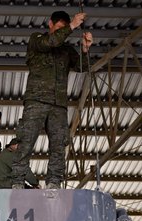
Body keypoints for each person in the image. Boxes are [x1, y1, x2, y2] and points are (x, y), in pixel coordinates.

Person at [11, 10, 93, 189]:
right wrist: (71, 26)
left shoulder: (66, 50)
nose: (60, 32)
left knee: (58, 145)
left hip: (58, 105)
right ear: (50, 24)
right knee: (26, 141)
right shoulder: (37, 39)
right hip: (36, 100)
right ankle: (17, 181)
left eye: (63, 29)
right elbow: (51, 41)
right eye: (58, 28)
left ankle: (54, 181)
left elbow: (83, 66)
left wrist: (85, 48)